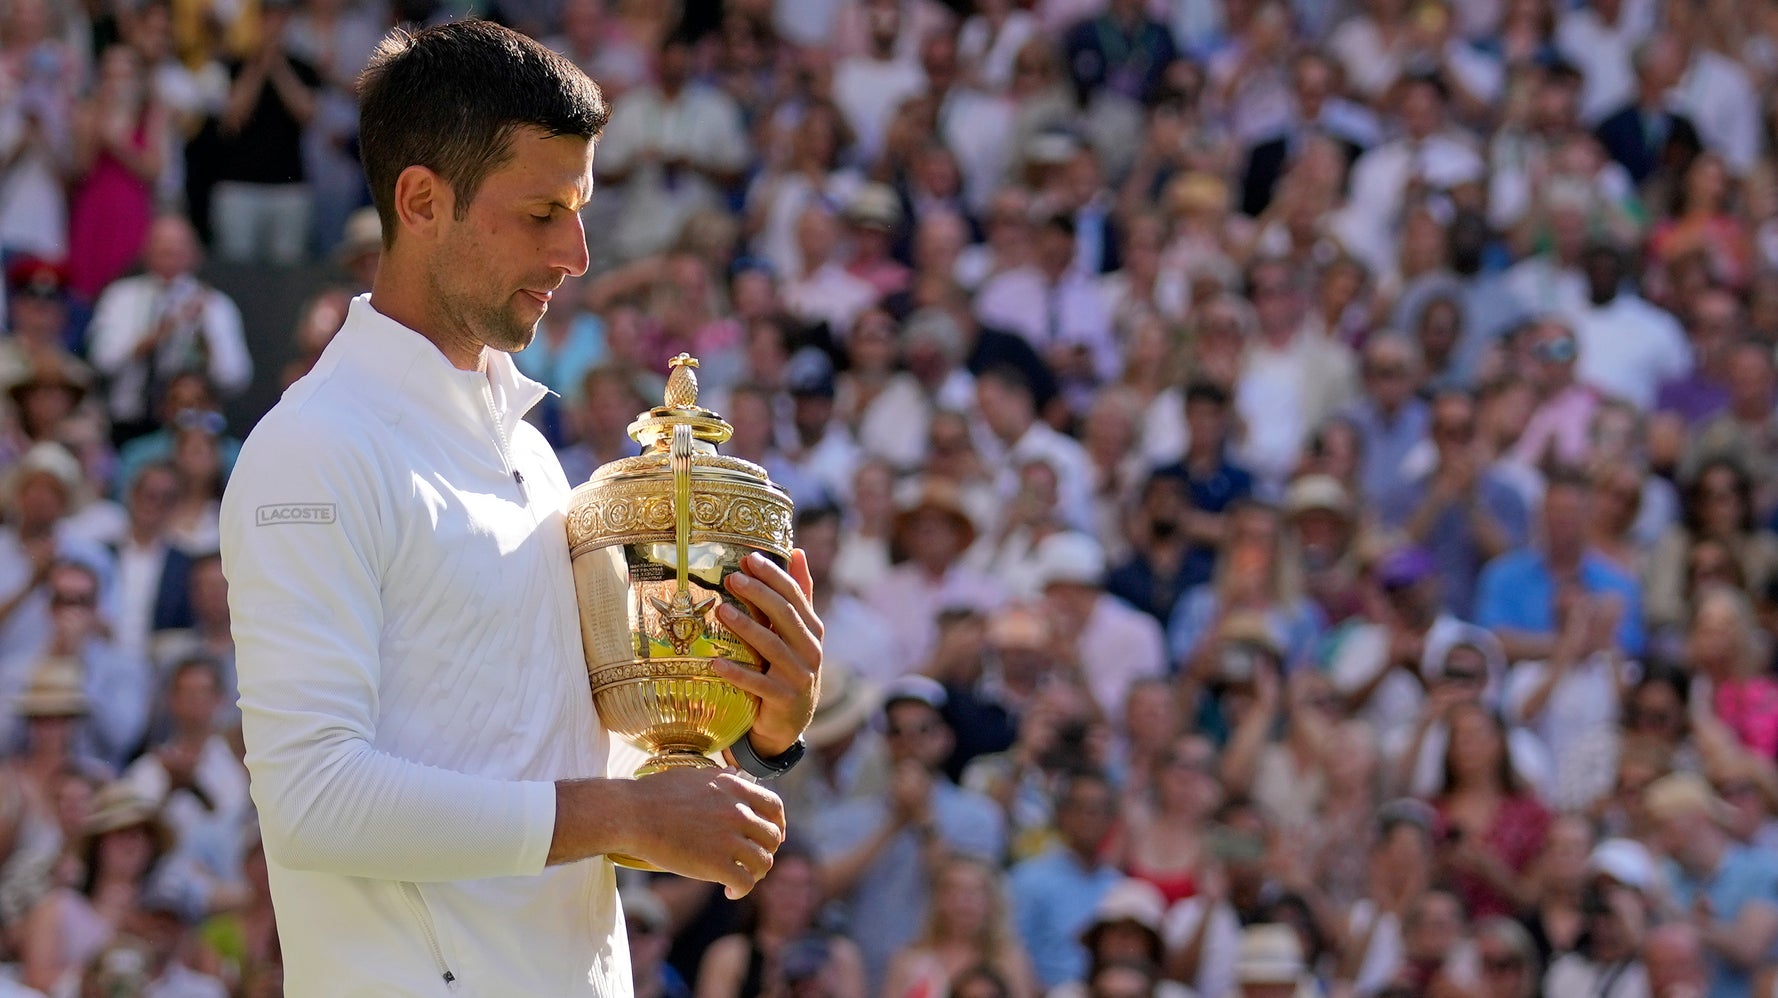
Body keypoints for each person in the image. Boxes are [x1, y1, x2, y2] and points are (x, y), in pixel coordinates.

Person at [216, 22, 821, 996]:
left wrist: (758, 716)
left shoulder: (532, 455)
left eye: (577, 209)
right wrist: (627, 820)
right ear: (421, 201)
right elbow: (313, 799)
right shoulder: (312, 449)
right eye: (543, 211)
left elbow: (539, 762)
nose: (576, 253)